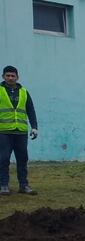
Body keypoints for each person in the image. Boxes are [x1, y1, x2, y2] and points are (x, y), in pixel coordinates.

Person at [0, 65, 38, 195]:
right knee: (3, 158)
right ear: (3, 77)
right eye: (8, 75)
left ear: (17, 77)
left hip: (21, 132)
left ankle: (24, 185)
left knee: (22, 159)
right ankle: (4, 185)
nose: (10, 78)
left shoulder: (24, 92)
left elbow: (30, 110)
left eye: (13, 76)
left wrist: (34, 127)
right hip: (3, 131)